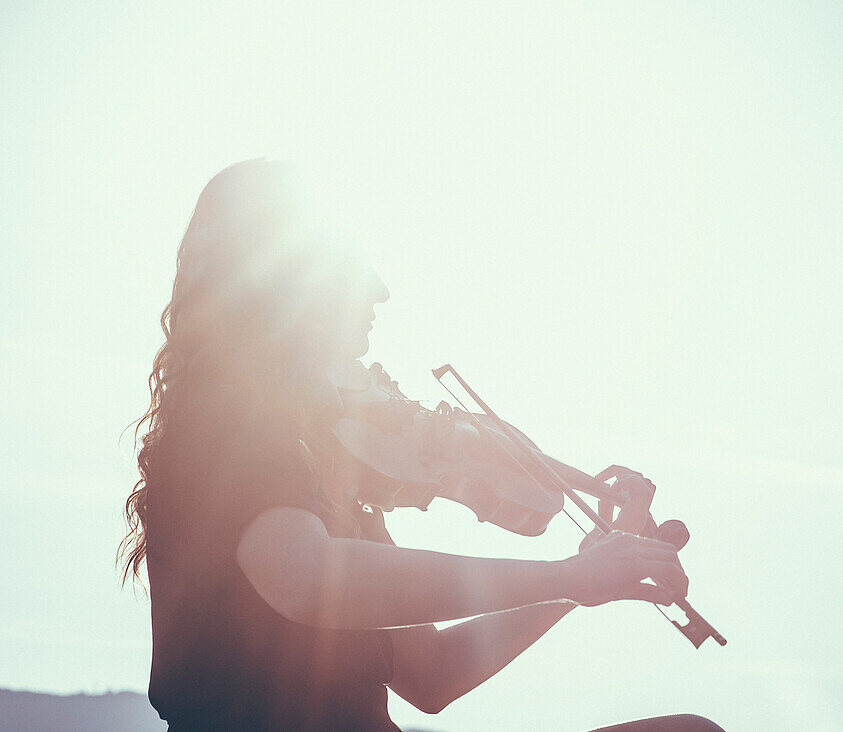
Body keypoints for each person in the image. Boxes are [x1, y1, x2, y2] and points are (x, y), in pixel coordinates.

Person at [119, 159, 723, 732]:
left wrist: (577, 582)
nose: (381, 291)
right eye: (354, 266)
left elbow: (433, 676)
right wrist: (566, 571)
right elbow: (307, 578)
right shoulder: (229, 419)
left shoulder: (328, 469)